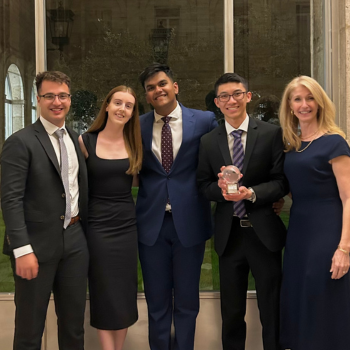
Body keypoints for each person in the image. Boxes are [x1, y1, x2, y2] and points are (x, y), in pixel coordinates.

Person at [197, 72, 289, 350]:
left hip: (264, 235)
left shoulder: (272, 134)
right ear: (217, 102)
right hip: (229, 236)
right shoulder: (208, 141)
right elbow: (203, 184)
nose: (231, 100)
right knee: (232, 311)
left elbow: (281, 181)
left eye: (237, 93)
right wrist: (221, 191)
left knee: (271, 309)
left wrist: (254, 194)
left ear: (248, 97)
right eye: (224, 96)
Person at [1, 71, 89, 350]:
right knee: (29, 329)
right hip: (35, 246)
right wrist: (22, 249)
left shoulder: (76, 139)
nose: (57, 101)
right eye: (49, 95)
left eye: (62, 95)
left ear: (70, 99)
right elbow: (10, 199)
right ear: (38, 99)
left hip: (75, 242)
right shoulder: (20, 141)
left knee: (74, 326)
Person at [136, 63, 218, 350]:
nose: (157, 90)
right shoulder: (138, 125)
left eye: (162, 84)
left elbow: (223, 160)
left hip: (190, 223)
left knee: (187, 301)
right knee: (156, 302)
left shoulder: (205, 120)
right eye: (150, 88)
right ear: (146, 96)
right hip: (151, 226)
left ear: (175, 87)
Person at [279, 75, 350, 350]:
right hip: (298, 229)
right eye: (298, 99)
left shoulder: (335, 143)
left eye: (310, 98)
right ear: (290, 104)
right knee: (299, 294)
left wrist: (344, 248)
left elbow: (348, 197)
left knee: (323, 294)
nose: (304, 104)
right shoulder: (291, 144)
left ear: (319, 103)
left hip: (327, 228)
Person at [78, 86, 142, 350]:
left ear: (132, 113)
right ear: (107, 105)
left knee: (124, 292)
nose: (122, 109)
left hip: (127, 227)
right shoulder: (85, 141)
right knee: (104, 292)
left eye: (128, 106)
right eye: (118, 103)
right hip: (97, 227)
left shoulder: (135, 143)